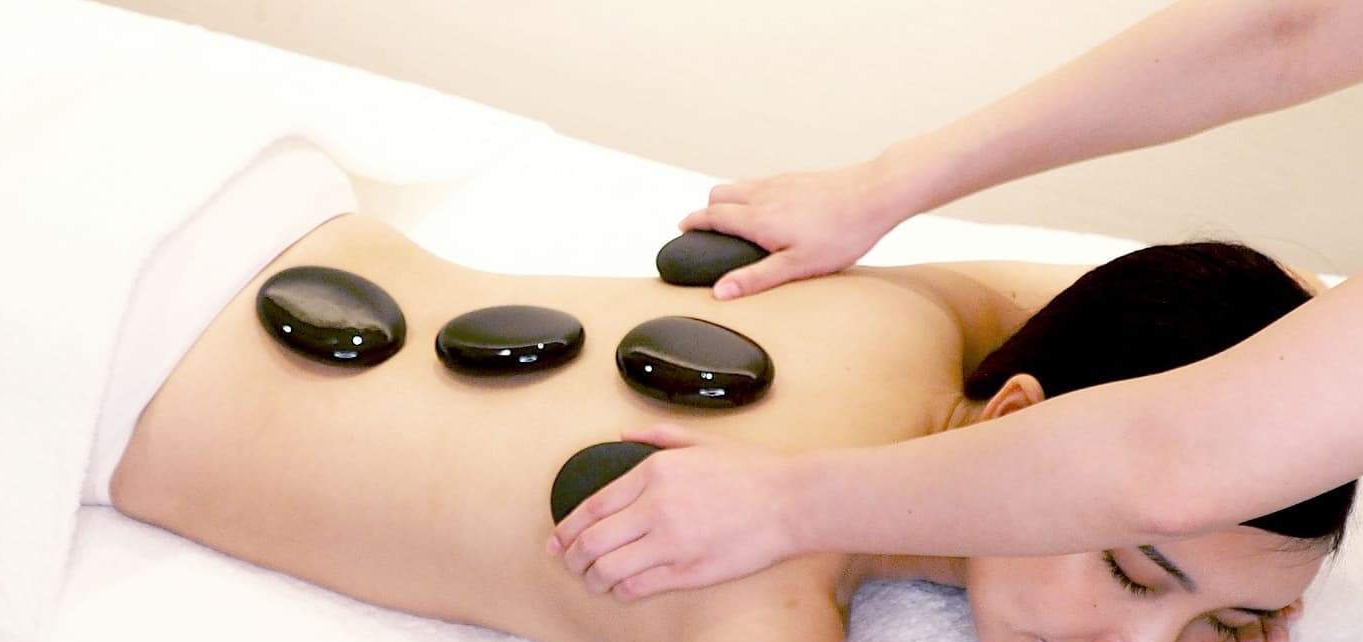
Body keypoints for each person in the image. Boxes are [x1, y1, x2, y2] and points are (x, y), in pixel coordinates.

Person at [110, 206, 1348, 642]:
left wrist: (1239, 524)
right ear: (1018, 414)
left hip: (238, 205)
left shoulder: (905, 313)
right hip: (92, 338)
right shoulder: (731, 575)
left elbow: (1153, 320)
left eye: (1226, 621)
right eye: (1134, 571)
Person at [547, 0, 1363, 606]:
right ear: (1011, 413)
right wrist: (883, 186)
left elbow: (1185, 466)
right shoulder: (762, 613)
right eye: (1132, 575)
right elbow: (1293, 24)